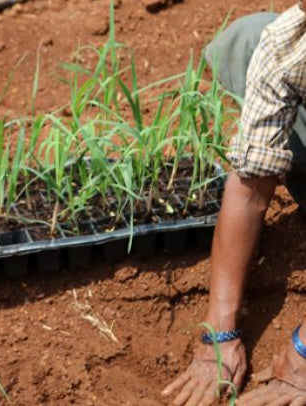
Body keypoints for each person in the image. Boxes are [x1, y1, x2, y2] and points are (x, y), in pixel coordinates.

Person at [162, 2, 306, 405]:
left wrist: (303, 355)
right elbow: (249, 187)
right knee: (247, 39)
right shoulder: (289, 45)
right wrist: (219, 333)